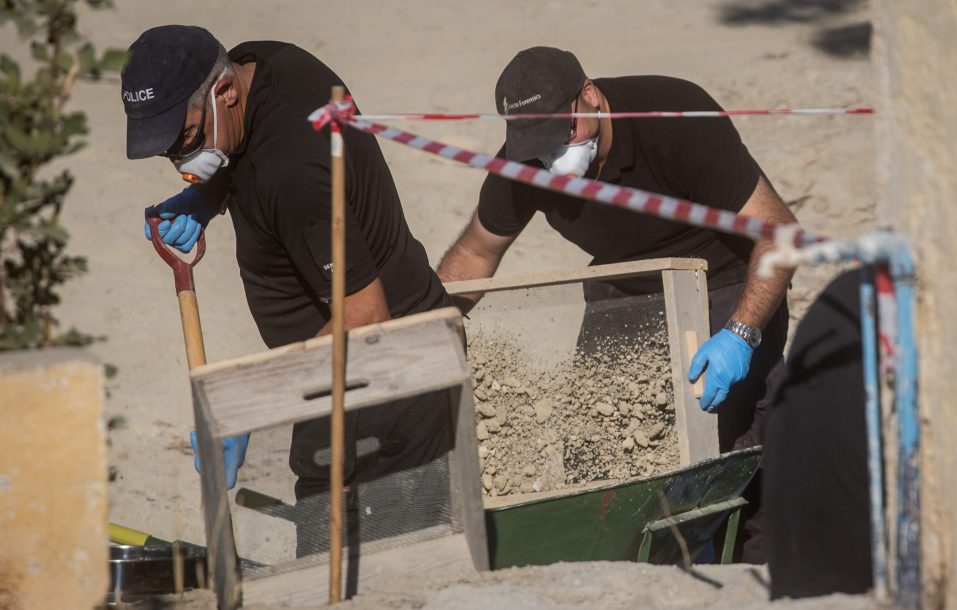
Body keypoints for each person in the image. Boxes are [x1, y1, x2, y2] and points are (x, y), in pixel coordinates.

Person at [436, 46, 797, 562]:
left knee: (733, 455)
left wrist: (740, 335)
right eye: (536, 144)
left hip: (725, 280)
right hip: (624, 282)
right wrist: (422, 332)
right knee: (598, 450)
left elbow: (779, 233)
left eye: (563, 133)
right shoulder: (527, 163)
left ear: (590, 96)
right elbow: (474, 253)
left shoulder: (674, 116)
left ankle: (750, 570)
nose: (553, 156)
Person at [121, 26, 453, 555]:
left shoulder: (294, 174)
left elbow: (366, 319)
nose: (179, 163)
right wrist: (205, 199)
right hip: (336, 382)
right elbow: (249, 149)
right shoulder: (267, 62)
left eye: (182, 139)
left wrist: (250, 404)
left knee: (376, 579)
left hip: (387, 399)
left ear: (224, 90)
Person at [763, 269, 873, 597]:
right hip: (834, 564)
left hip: (812, 568)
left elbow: (778, 229)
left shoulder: (850, 294)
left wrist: (741, 331)